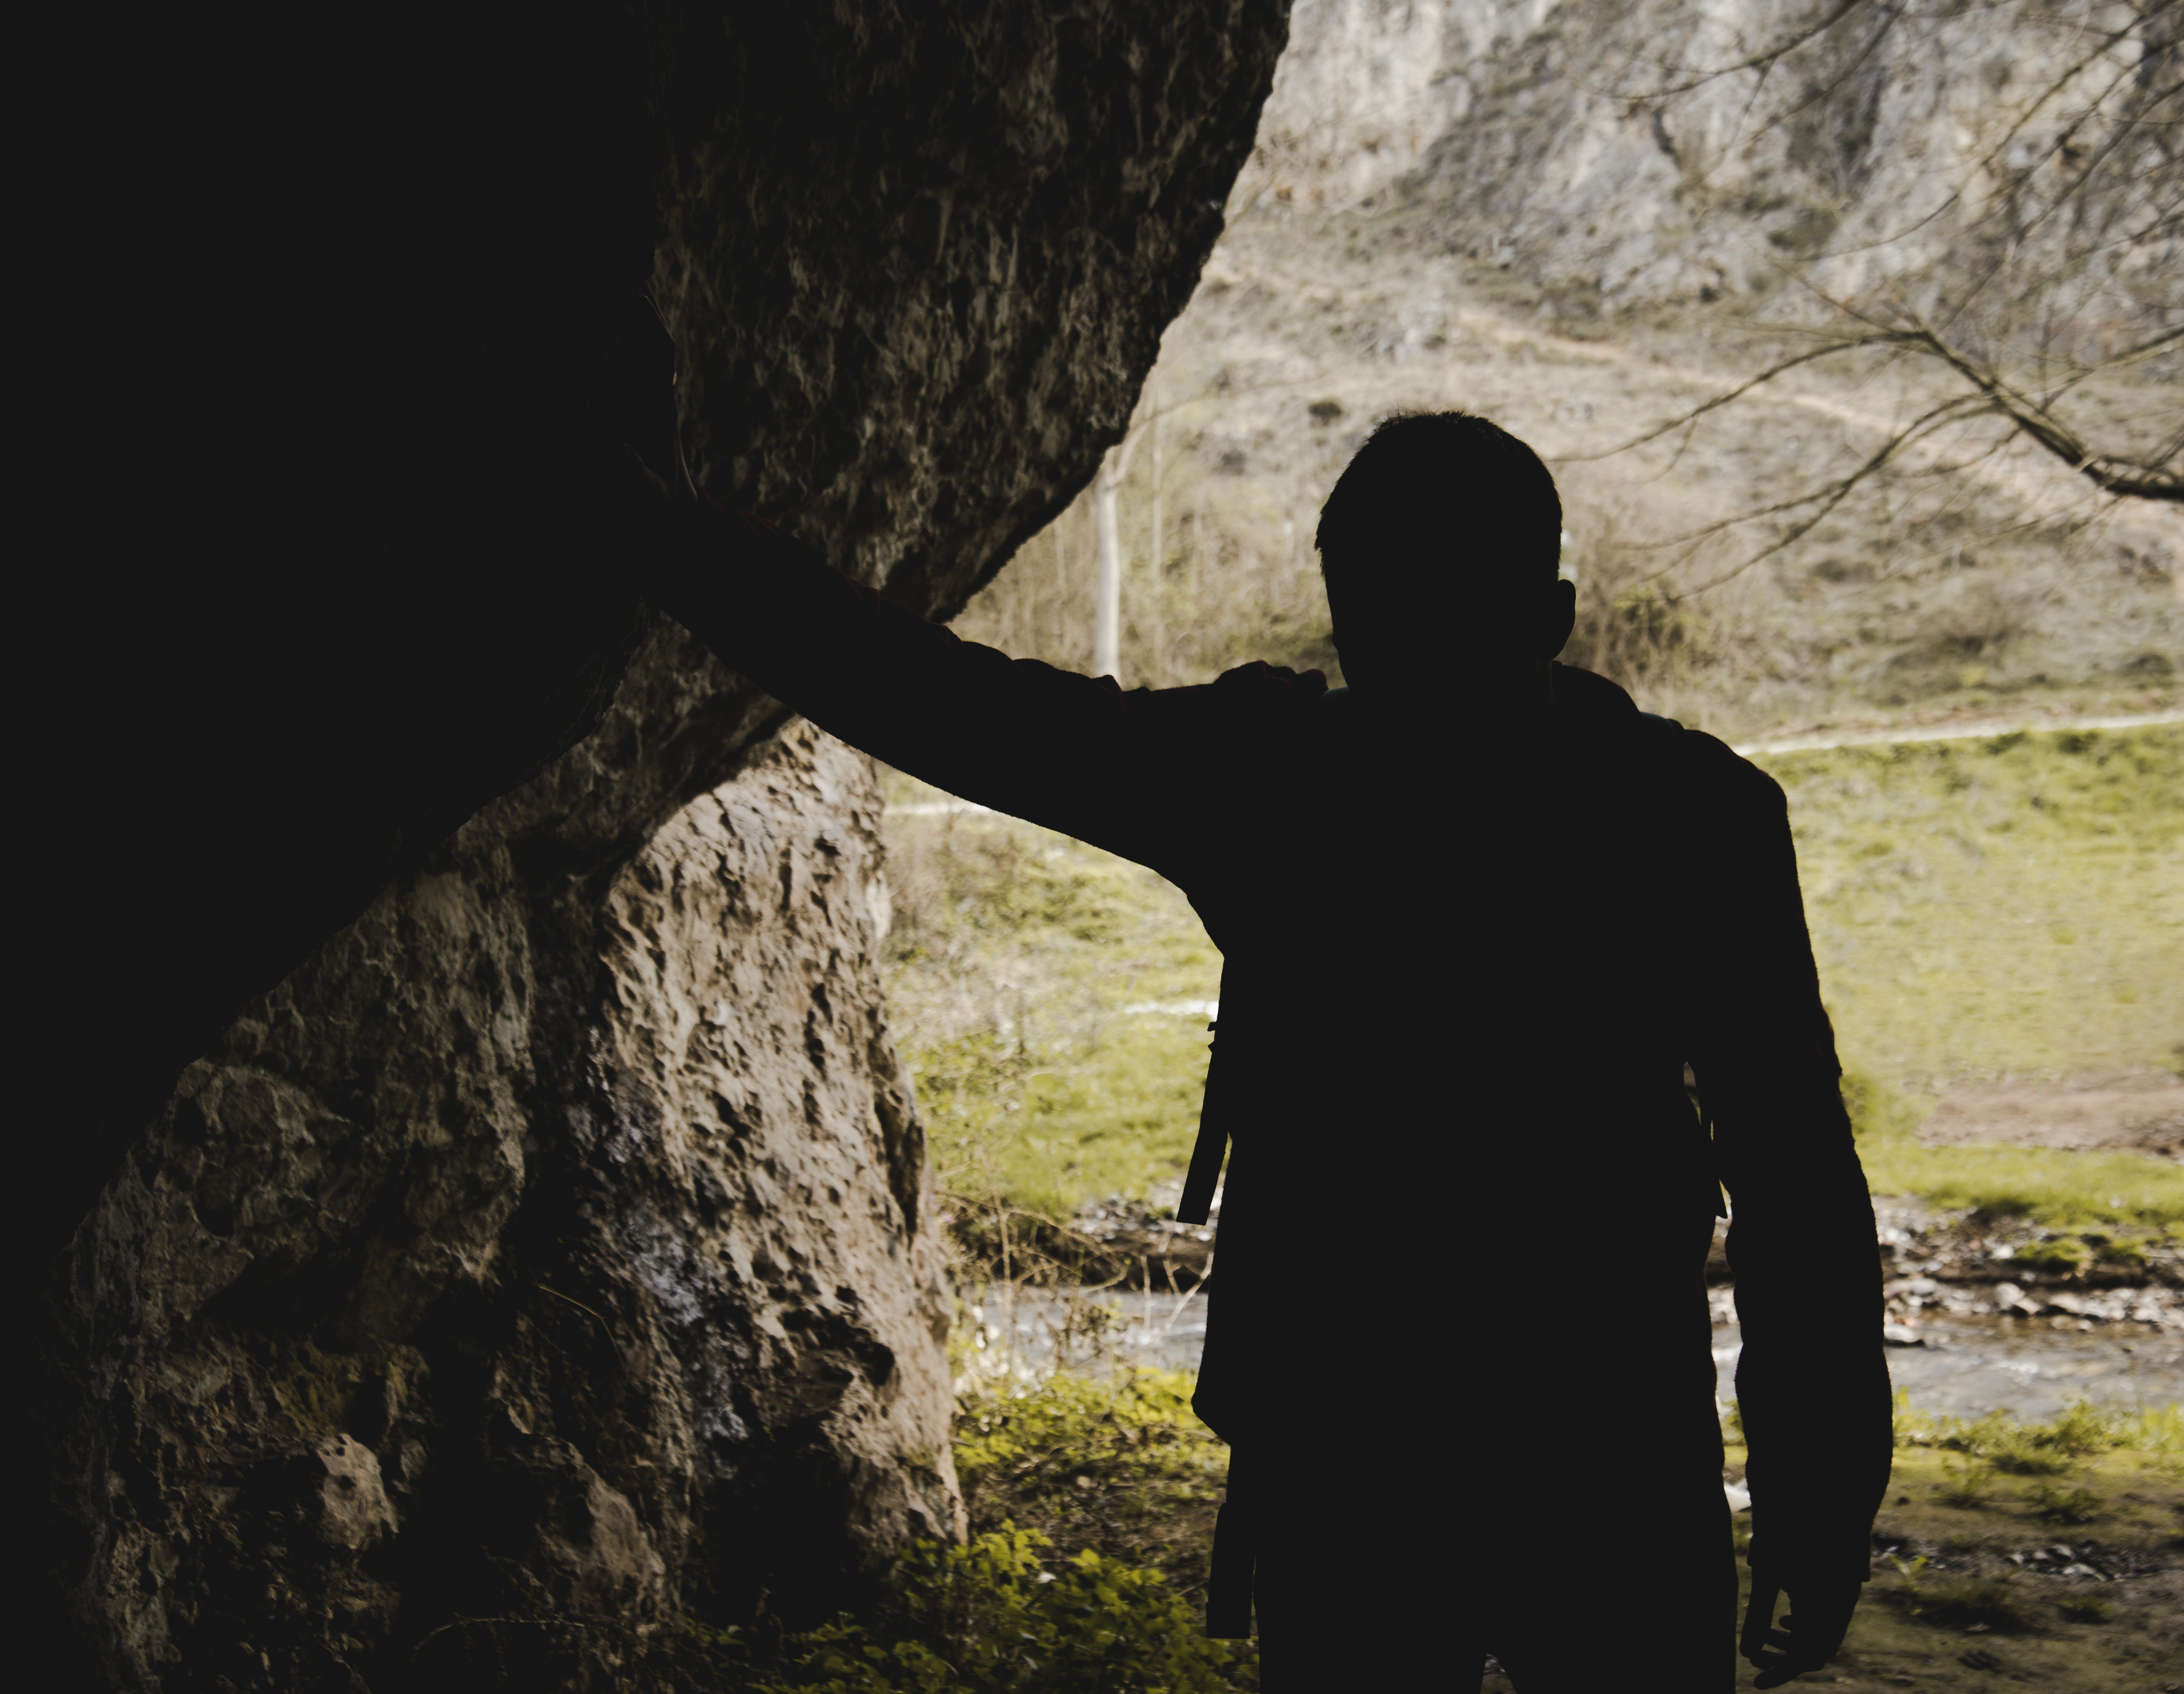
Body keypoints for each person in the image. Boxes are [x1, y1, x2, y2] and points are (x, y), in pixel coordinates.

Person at [626, 391, 1890, 1690]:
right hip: (1602, 1441)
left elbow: (952, 706)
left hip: (1352, 1454)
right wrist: (1820, 1491)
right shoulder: (1697, 816)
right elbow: (1794, 1174)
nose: (1400, 666)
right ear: (1555, 616)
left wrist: (681, 541)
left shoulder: (1277, 778)